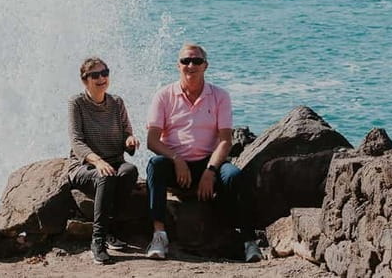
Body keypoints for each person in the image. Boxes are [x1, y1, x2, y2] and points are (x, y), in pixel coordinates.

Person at [144, 43, 261, 262]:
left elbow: (226, 141)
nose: (191, 65)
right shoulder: (163, 95)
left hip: (208, 162)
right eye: (185, 61)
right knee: (154, 165)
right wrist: (176, 159)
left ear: (205, 66)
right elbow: (152, 140)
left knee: (235, 176)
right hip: (176, 165)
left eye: (196, 61)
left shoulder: (220, 96)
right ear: (177, 66)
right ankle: (159, 236)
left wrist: (210, 170)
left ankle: (249, 241)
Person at [68, 57, 140, 265]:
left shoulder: (117, 102)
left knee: (129, 171)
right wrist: (98, 161)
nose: (101, 78)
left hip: (114, 161)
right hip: (84, 166)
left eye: (105, 73)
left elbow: (126, 134)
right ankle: (97, 241)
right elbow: (76, 142)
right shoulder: (77, 103)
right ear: (85, 80)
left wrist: (130, 140)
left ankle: (111, 232)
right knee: (105, 176)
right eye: (95, 75)